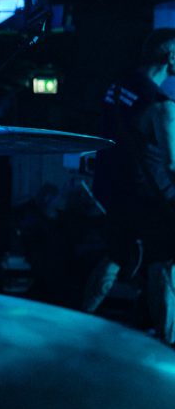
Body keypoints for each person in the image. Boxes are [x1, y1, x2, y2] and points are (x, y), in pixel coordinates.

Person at [82, 28, 175, 346]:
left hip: (115, 191)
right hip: (152, 198)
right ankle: (167, 343)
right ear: (171, 57)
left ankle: (77, 324)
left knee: (115, 257)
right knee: (161, 264)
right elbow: (172, 163)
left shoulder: (117, 87)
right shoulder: (162, 104)